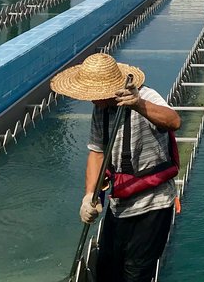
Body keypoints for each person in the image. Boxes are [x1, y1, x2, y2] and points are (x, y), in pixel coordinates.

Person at [51, 52, 182, 282]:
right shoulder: (100, 109)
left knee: (136, 272)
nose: (92, 100)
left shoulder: (145, 95)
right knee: (107, 270)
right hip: (119, 204)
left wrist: (139, 104)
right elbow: (96, 154)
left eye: (95, 94)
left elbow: (174, 121)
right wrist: (89, 195)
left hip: (153, 204)